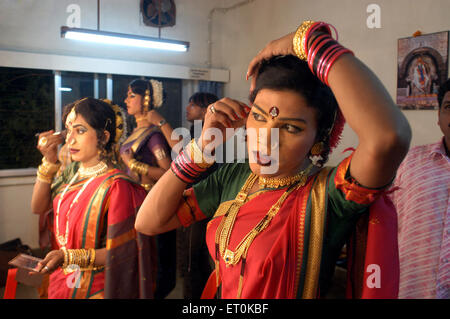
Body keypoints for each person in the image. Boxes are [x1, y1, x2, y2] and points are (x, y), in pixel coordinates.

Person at [135, 20, 411, 298]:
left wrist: (308, 41)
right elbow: (148, 222)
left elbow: (388, 138)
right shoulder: (235, 176)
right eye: (258, 117)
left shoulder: (329, 195)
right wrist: (201, 151)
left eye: (290, 128)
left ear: (319, 138)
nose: (265, 139)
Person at [31, 97, 155, 299]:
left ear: (103, 137)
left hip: (97, 288)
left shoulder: (117, 186)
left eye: (80, 130)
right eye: (68, 130)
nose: (70, 139)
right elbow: (38, 206)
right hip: (62, 278)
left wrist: (69, 256)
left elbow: (124, 252)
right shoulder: (71, 174)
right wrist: (49, 161)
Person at [147, 92, 219, 299]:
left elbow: (183, 154)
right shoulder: (196, 129)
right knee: (187, 257)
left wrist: (161, 122)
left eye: (193, 104)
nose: (188, 108)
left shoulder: (211, 132)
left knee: (194, 257)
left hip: (204, 200)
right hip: (192, 196)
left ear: (207, 110)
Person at [388, 78, 450, 299]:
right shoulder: (411, 160)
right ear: (439, 116)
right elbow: (387, 222)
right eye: (448, 107)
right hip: (409, 289)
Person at [120, 78, 175, 299]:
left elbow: (169, 171)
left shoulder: (153, 135)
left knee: (152, 260)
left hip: (149, 201)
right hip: (131, 201)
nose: (126, 100)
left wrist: (134, 164)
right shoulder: (133, 133)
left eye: (131, 95)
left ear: (146, 99)